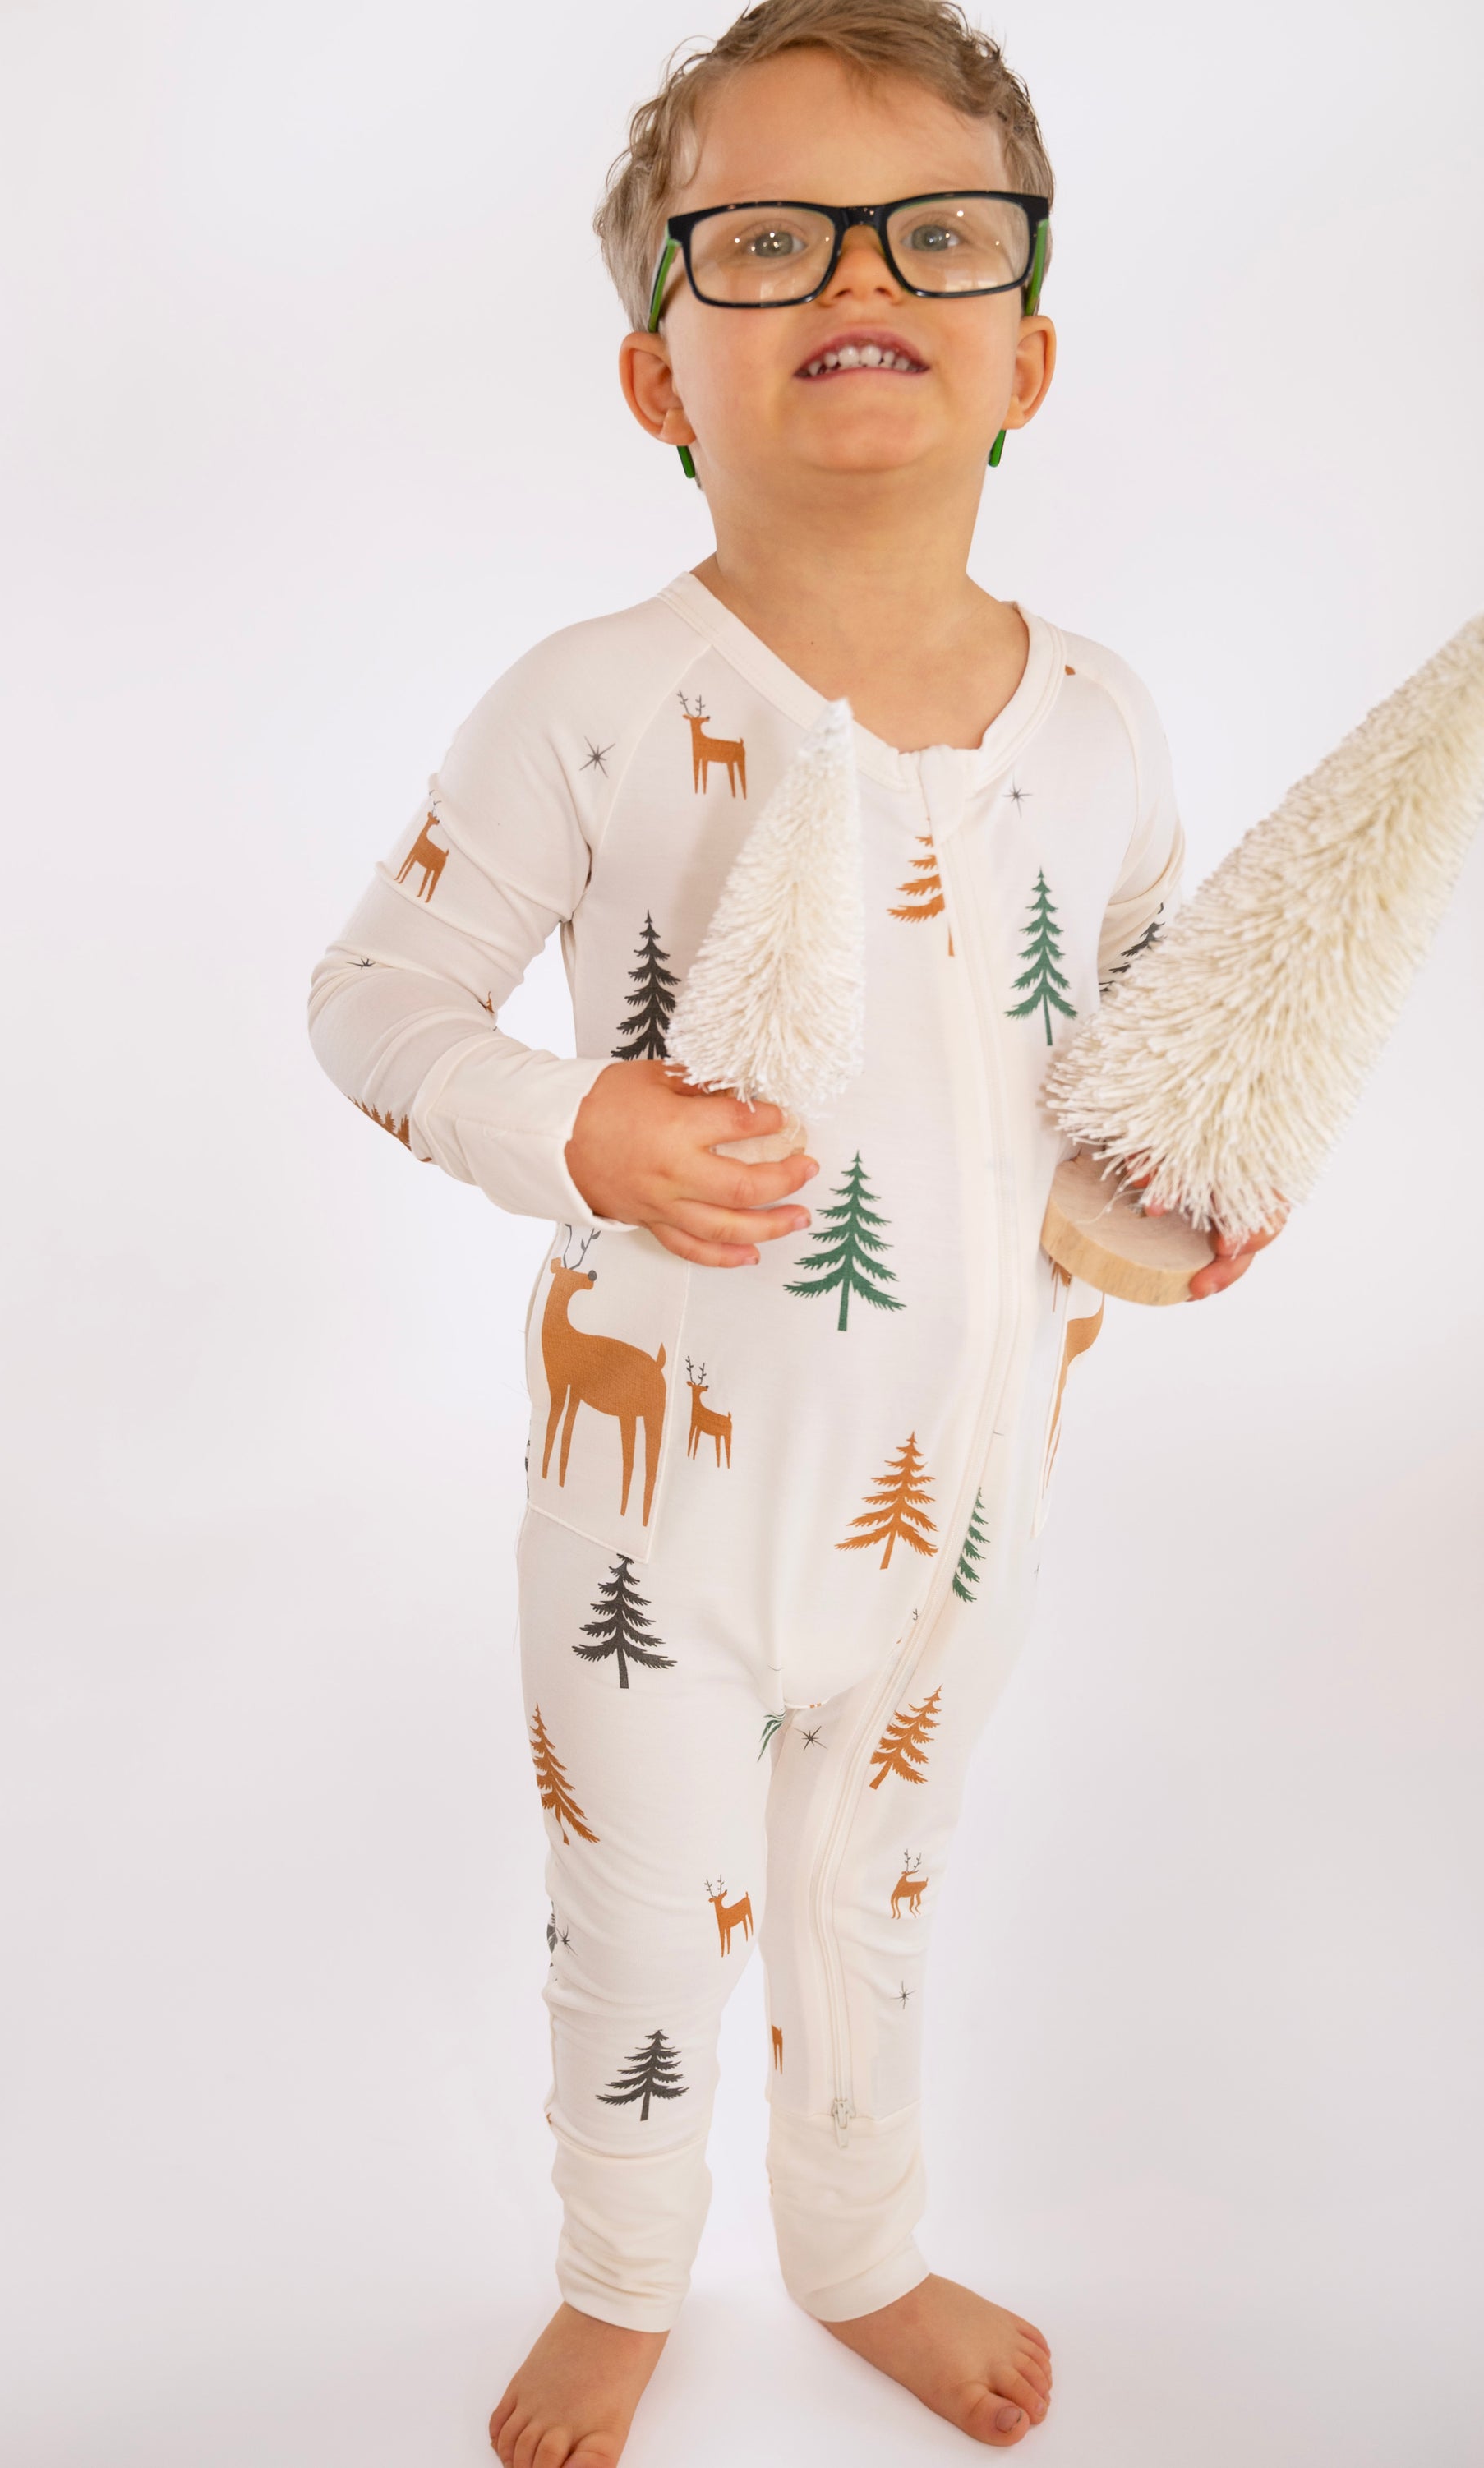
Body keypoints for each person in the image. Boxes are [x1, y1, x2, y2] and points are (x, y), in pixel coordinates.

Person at [307, 4, 1282, 2457]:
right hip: (660, 1507)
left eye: (937, 230)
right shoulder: (599, 703)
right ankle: (626, 2268)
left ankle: (855, 2248)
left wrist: (1165, 1211)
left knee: (874, 1889)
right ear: (661, 373)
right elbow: (377, 994)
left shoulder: (1106, 724)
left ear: (1025, 348)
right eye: (767, 238)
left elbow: (1119, 1058)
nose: (862, 267)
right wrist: (576, 1122)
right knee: (640, 1909)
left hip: (967, 1500)